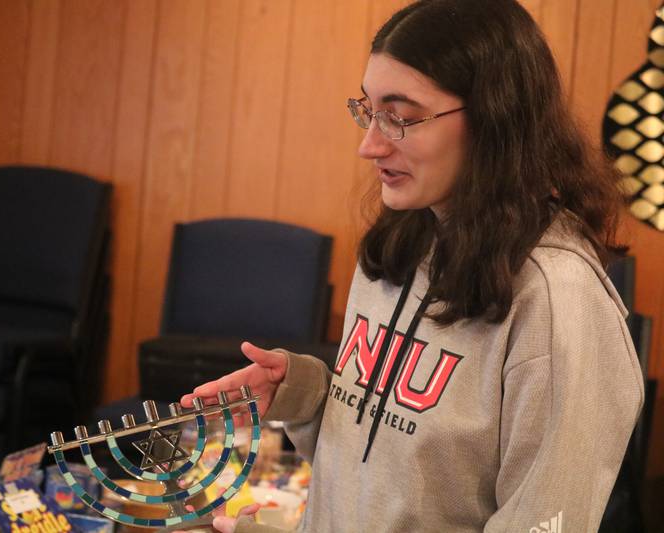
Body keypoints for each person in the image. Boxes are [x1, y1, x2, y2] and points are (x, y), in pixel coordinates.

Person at [180, 1, 644, 531]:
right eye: (369, 110)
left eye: (399, 116)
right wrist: (305, 393)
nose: (369, 145)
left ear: (496, 117)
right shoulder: (400, 240)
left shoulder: (559, 301)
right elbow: (392, 463)